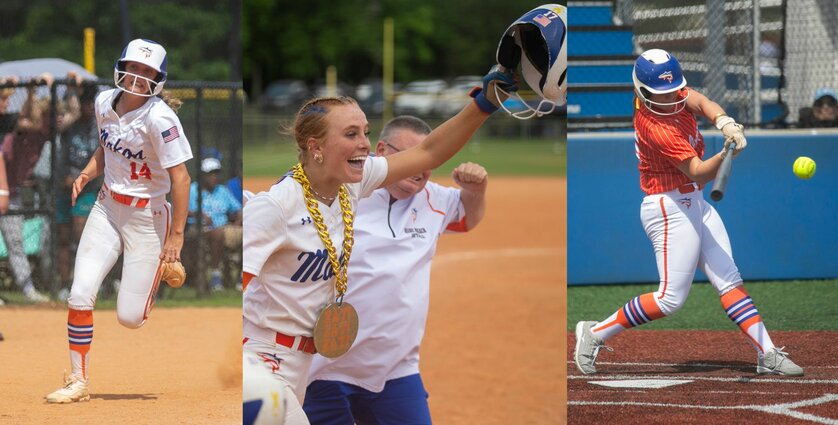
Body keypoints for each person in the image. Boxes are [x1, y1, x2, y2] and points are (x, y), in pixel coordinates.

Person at [242, 68, 516, 424]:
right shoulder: (276, 207)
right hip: (263, 358)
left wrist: (486, 102)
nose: (365, 144)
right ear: (316, 147)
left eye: (366, 133)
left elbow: (430, 151)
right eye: (351, 134)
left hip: (303, 363)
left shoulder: (351, 185)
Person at [573, 49, 803, 377]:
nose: (671, 99)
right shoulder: (656, 126)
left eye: (672, 92)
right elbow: (697, 171)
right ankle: (594, 332)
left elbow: (699, 101)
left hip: (693, 202)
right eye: (662, 95)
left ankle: (767, 353)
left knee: (729, 279)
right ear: (644, 92)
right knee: (670, 299)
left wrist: (724, 122)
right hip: (667, 206)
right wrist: (727, 154)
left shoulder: (672, 93)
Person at [302, 116, 488, 424]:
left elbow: (468, 217)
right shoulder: (338, 191)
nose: (419, 167)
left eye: (427, 158)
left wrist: (476, 189)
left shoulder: (435, 200)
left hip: (395, 371)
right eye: (410, 155)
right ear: (381, 151)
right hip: (324, 369)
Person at [46, 39, 193, 403]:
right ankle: (78, 381)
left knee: (130, 318)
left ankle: (157, 270)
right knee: (79, 293)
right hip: (107, 207)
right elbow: (106, 147)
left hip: (148, 217)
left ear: (158, 80)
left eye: (147, 72)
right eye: (133, 67)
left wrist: (176, 238)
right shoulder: (101, 102)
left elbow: (182, 178)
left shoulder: (160, 118)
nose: (137, 77)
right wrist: (87, 172)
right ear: (119, 66)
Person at [0, 73, 56, 303]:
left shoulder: (10, 122)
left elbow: (29, 119)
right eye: (2, 99)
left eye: (7, 99)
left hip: (9, 193)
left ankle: (28, 290)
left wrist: (31, 91)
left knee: (15, 242)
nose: (5, 103)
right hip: (5, 191)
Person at [56, 76, 101, 291]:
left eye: (93, 103)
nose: (90, 107)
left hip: (87, 189)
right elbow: (69, 114)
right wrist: (73, 89)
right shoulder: (70, 122)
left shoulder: (99, 126)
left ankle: (86, 282)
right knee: (64, 237)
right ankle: (64, 283)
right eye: (86, 103)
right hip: (64, 187)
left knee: (81, 230)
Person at [188, 156, 241, 291]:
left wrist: (240, 219)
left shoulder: (222, 190)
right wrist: (199, 214)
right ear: (202, 175)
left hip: (224, 228)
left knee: (245, 232)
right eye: (210, 174)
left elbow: (237, 208)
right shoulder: (193, 189)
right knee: (218, 233)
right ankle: (216, 275)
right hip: (199, 229)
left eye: (216, 173)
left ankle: (243, 275)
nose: (214, 177)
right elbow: (183, 210)